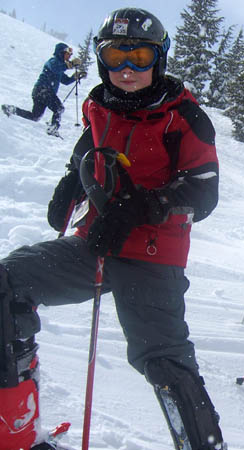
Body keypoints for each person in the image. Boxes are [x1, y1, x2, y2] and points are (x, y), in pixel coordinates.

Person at [0, 8, 226, 450]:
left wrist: (142, 206)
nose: (126, 69)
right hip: (95, 243)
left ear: (157, 59)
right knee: (8, 283)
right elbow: (91, 141)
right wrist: (72, 179)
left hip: (152, 256)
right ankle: (16, 428)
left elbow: (204, 192)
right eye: (115, 56)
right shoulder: (98, 102)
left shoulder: (184, 117)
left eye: (139, 56)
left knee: (162, 361)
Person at [2, 42, 87, 137]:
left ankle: (11, 109)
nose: (69, 56)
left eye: (70, 55)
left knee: (35, 116)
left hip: (40, 92)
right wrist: (70, 65)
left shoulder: (60, 67)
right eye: (68, 54)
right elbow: (55, 68)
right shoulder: (53, 61)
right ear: (61, 53)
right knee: (59, 108)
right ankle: (53, 129)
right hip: (43, 90)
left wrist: (75, 77)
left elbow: (65, 81)